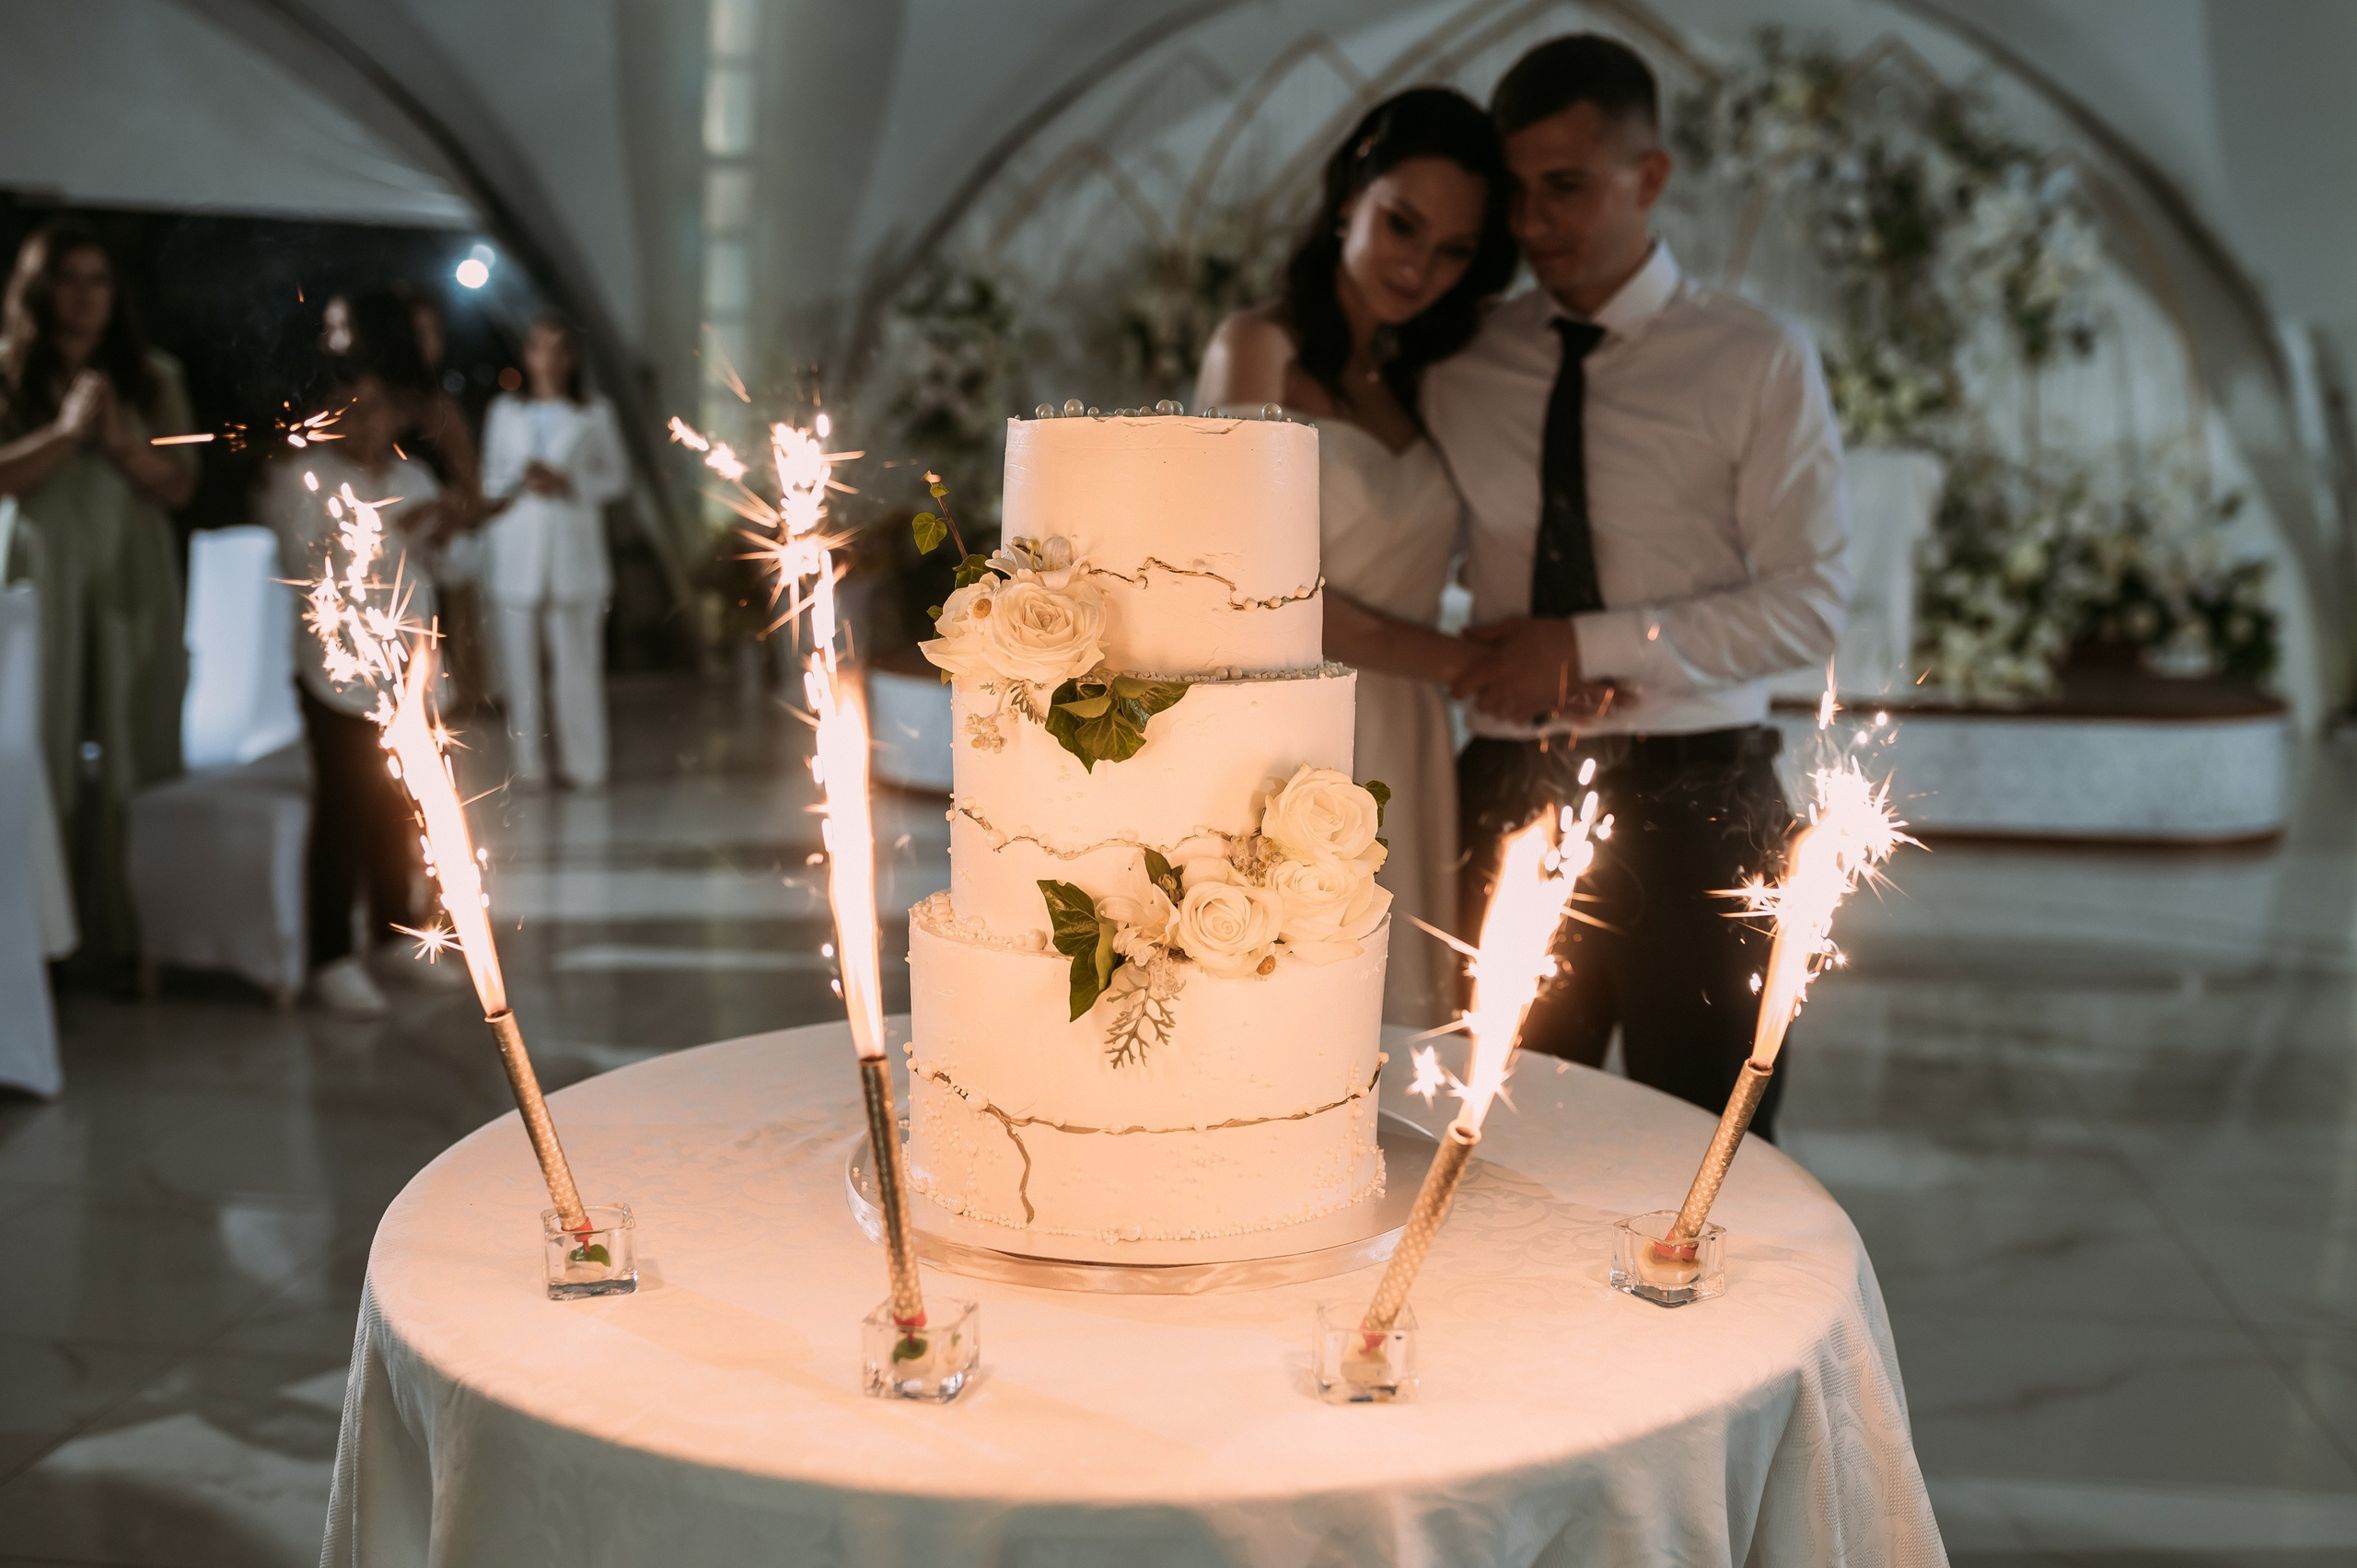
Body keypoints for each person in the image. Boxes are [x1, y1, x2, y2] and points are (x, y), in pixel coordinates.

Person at [1423, 36, 1850, 1139]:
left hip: (1700, 803)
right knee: (1491, 1138)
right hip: (1506, 786)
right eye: (1512, 194)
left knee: (1705, 1158)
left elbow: (1810, 603)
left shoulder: (1755, 357)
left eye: (1563, 187)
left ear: (1647, 177)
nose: (1530, 225)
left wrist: (1583, 642)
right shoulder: (1462, 362)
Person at [1195, 87, 1517, 1027]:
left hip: (1407, 732)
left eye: (1452, 250)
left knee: (1395, 1014)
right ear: (1347, 196)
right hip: (1293, 718)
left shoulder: (1428, 378)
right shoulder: (1256, 348)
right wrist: (1474, 664)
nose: (1418, 268)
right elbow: (1251, 590)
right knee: (1288, 1007)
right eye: (1400, 225)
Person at [0, 221, 199, 964]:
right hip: (35, 567)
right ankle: (35, 946)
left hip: (129, 567)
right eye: (70, 278)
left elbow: (180, 485)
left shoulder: (153, 376)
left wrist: (116, 442)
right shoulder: (9, 368)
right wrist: (63, 433)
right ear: (40, 286)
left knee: (132, 736)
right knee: (34, 741)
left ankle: (131, 937)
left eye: (100, 280)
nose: (85, 296)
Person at [260, 371, 455, 1017]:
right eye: (352, 407)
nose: (367, 421)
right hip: (336, 674)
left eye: (380, 406)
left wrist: (448, 526)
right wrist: (403, 532)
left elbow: (450, 569)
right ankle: (330, 955)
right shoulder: (301, 478)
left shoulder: (413, 478)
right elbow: (312, 564)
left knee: (401, 809)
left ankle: (396, 931)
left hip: (406, 669)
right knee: (344, 812)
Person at [479, 318, 626, 788]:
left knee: (576, 668)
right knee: (519, 671)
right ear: (526, 355)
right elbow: (488, 477)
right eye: (540, 348)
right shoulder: (505, 412)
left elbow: (617, 478)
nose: (549, 359)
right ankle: (529, 767)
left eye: (559, 349)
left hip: (572, 554)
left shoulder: (595, 413)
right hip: (517, 551)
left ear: (572, 357)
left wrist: (570, 484)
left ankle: (585, 765)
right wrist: (525, 481)